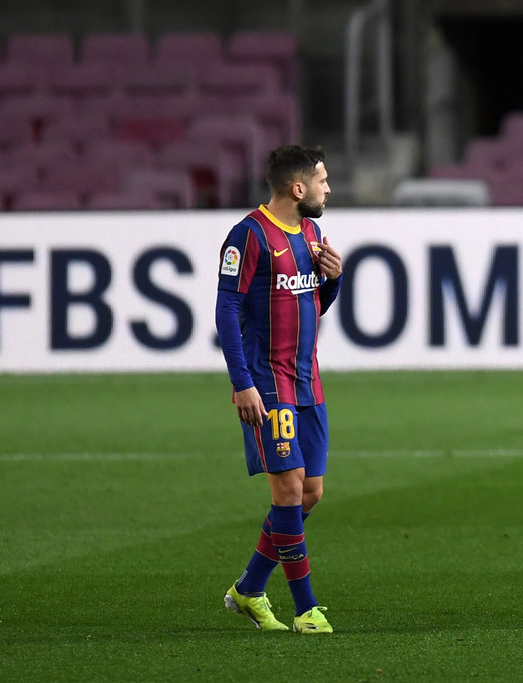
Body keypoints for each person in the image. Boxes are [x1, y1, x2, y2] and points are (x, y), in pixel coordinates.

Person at [215, 144, 343, 634]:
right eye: (323, 180)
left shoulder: (309, 233)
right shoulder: (247, 236)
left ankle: (248, 588)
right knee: (288, 489)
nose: (328, 188)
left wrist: (332, 280)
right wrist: (241, 383)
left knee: (310, 493)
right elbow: (226, 310)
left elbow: (311, 306)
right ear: (298, 188)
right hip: (268, 384)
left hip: (309, 380)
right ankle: (306, 608)